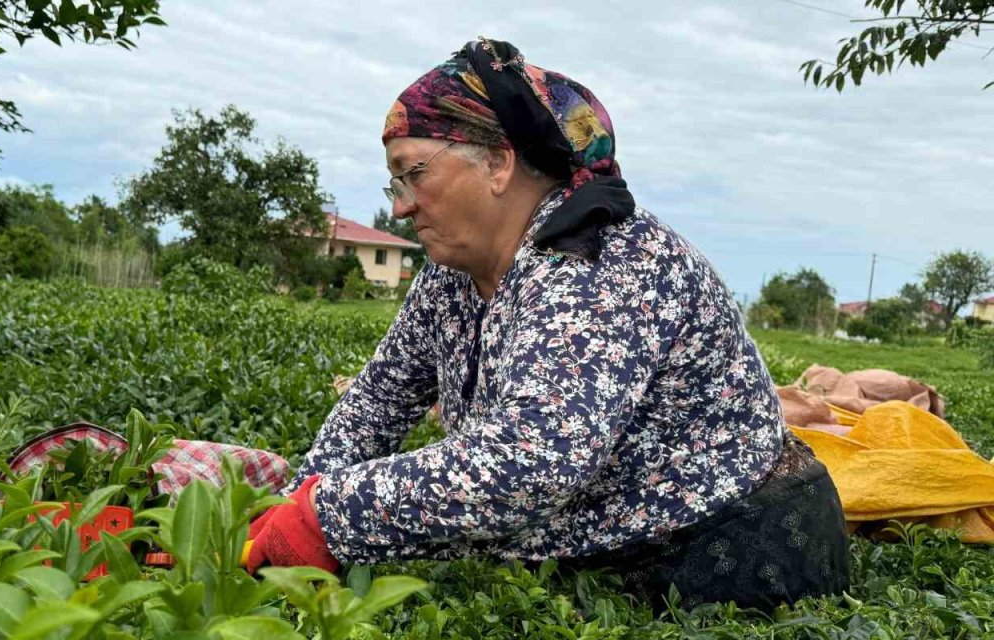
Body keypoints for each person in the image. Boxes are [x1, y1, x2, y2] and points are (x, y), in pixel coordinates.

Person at [246, 37, 849, 610]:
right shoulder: (453, 270)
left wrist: (328, 513)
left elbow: (536, 458)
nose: (400, 204)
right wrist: (288, 507)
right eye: (395, 180)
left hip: (720, 553)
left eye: (414, 173)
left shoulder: (599, 258)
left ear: (499, 165)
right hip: (593, 540)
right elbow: (381, 397)